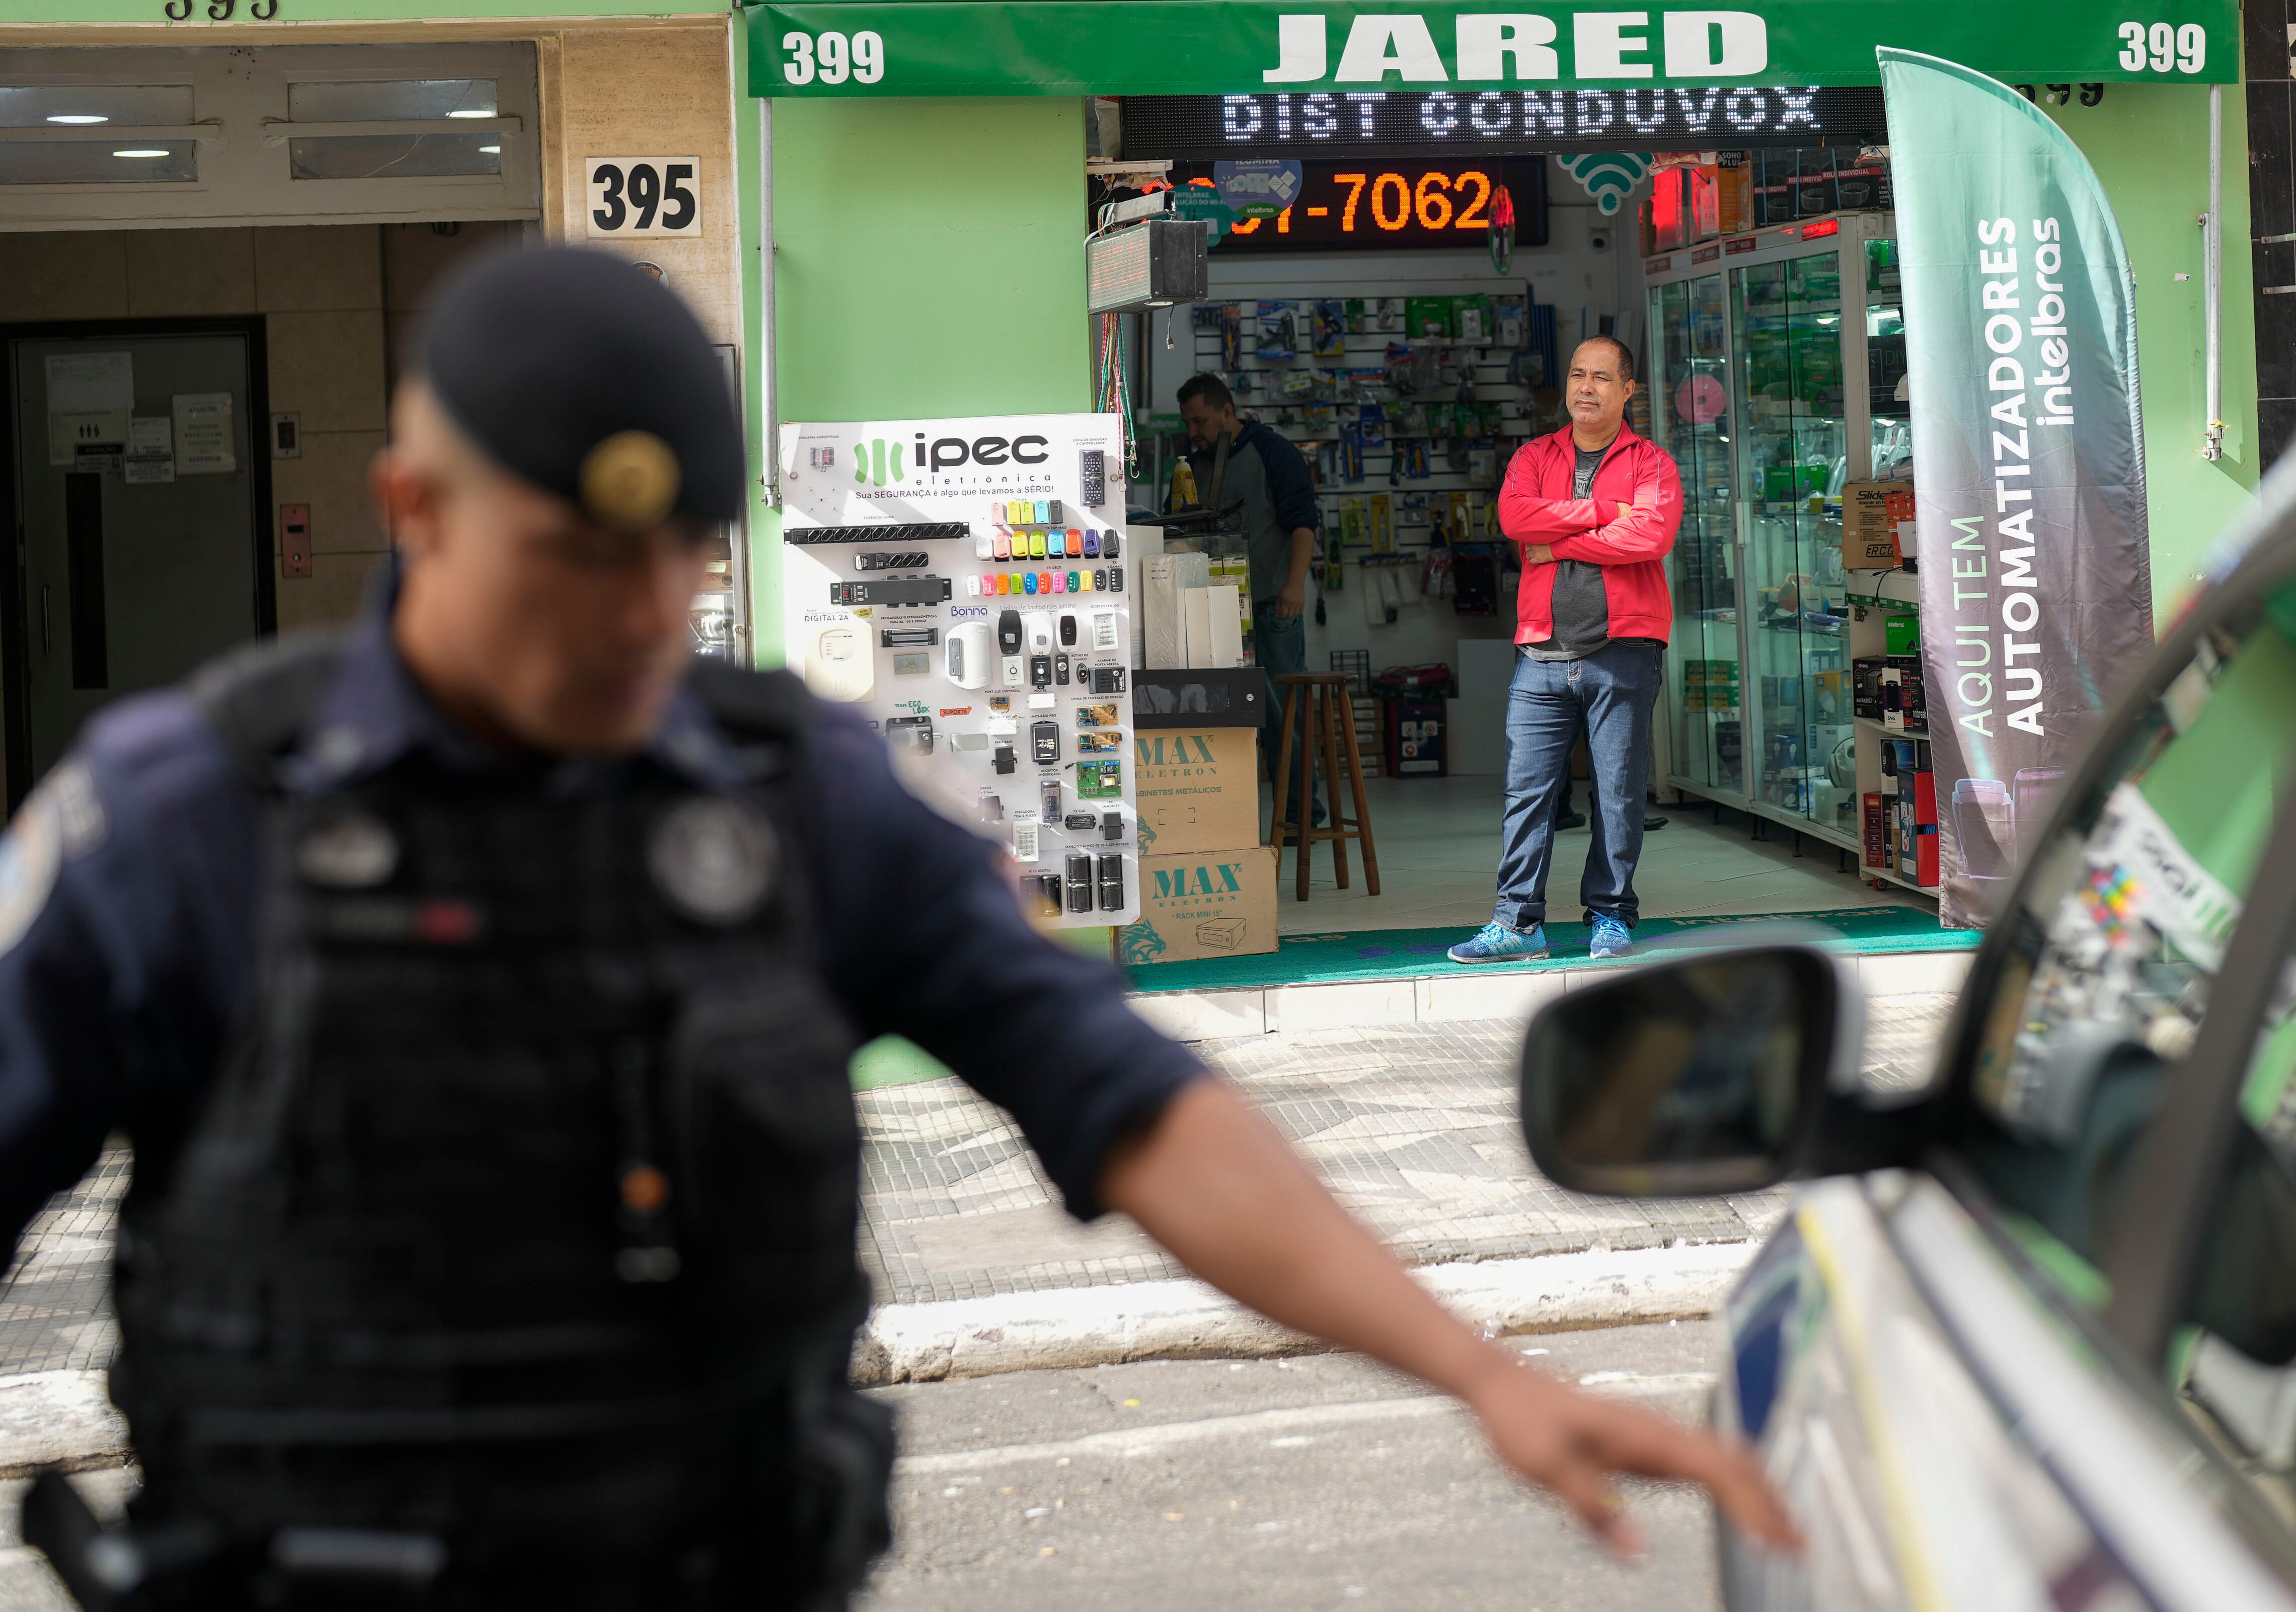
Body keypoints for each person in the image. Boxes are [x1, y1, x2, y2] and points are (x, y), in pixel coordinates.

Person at [0, 250, 1790, 1609]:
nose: (642, 614)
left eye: (685, 555)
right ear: (416, 510)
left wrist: (1473, 1370)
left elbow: (1127, 1098)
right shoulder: (186, 819)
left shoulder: (796, 803)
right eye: (576, 558)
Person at [1451, 336, 1681, 966]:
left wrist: (1563, 541)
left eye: (1602, 378)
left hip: (1623, 648)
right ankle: (1516, 923)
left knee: (1616, 793)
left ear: (1627, 390)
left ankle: (1609, 916)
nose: (1586, 387)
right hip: (1541, 654)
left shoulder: (1651, 463)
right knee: (1526, 794)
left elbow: (1650, 535)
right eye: (1578, 374)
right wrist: (1605, 513)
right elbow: (1516, 520)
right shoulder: (1533, 455)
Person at [1176, 373, 1319, 814]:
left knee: (1283, 717)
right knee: (1224, 717)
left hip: (1272, 606)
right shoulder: (1193, 465)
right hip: (1215, 611)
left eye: (1200, 420)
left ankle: (1299, 813)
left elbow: (1303, 523)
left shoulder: (1273, 452)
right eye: (1189, 423)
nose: (1194, 432)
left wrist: (1293, 585)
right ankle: (1234, 820)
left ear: (1227, 411)